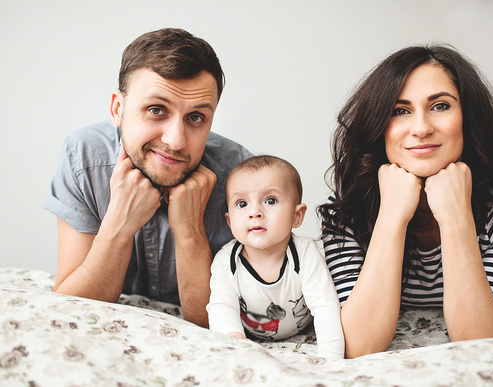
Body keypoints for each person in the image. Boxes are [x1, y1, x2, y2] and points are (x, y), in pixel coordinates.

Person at [317, 44, 493, 358]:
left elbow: (487, 344)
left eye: (440, 106)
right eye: (400, 110)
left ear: (467, 116)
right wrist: (392, 216)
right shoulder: (348, 206)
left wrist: (455, 216)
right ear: (379, 125)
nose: (421, 128)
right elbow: (358, 345)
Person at [44, 28, 252, 327]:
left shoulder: (238, 174)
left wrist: (190, 232)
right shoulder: (84, 157)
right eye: (156, 110)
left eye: (196, 117)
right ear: (118, 108)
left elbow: (218, 322)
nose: (176, 140)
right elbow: (71, 310)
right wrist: (119, 223)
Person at [207, 155, 344, 359]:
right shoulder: (226, 261)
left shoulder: (305, 254)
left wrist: (331, 360)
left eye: (270, 201)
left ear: (297, 216)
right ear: (229, 221)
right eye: (242, 203)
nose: (255, 212)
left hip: (301, 330)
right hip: (251, 335)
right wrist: (233, 341)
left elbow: (326, 308)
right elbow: (222, 308)